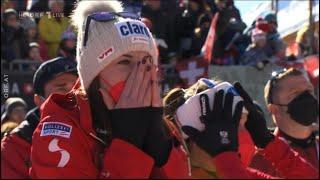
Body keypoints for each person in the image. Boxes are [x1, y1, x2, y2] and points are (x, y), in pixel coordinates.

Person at [30, 1, 189, 178]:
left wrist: (158, 141)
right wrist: (128, 144)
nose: (138, 74)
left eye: (147, 63)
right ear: (93, 74)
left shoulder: (163, 124)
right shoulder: (61, 127)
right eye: (124, 62)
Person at [163, 78, 319, 178]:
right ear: (194, 133)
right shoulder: (173, 175)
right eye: (232, 126)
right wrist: (225, 158)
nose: (244, 134)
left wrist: (268, 142)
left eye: (245, 125)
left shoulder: (241, 172)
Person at [1, 57, 78, 179]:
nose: (73, 95)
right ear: (39, 100)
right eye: (61, 88)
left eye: (78, 88)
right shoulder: (14, 146)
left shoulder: (100, 131)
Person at [249, 68, 319, 176]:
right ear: (274, 109)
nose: (307, 98)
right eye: (295, 93)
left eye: (309, 91)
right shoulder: (259, 159)